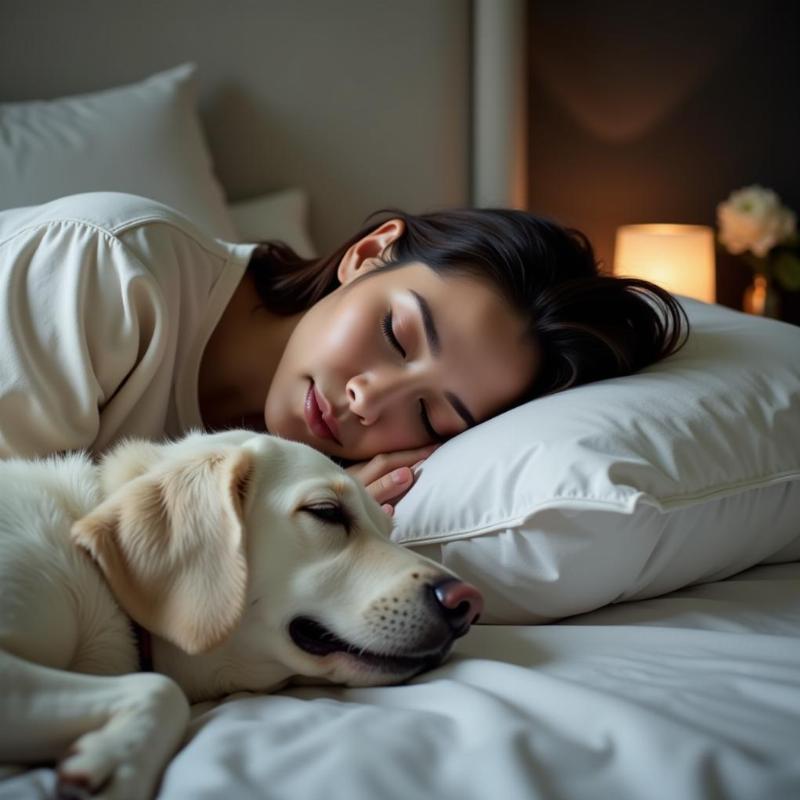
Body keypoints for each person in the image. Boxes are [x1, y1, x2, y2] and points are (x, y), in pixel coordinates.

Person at [0, 192, 687, 510]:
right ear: (367, 255)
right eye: (396, 334)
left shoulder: (315, 481)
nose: (370, 398)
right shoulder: (103, 265)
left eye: (430, 416)